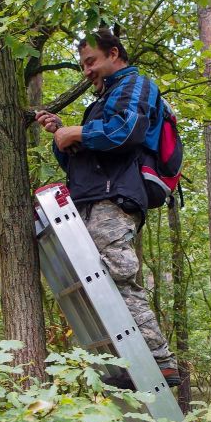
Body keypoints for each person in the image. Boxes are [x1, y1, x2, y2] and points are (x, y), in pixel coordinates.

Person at [36, 29, 180, 387]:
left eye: (91, 62)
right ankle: (127, 364)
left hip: (114, 198)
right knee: (95, 282)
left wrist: (78, 133)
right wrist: (61, 135)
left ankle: (160, 362)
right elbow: (80, 162)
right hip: (90, 197)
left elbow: (125, 131)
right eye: (83, 64)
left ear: (113, 54)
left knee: (117, 274)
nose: (86, 71)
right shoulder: (102, 101)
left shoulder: (135, 86)